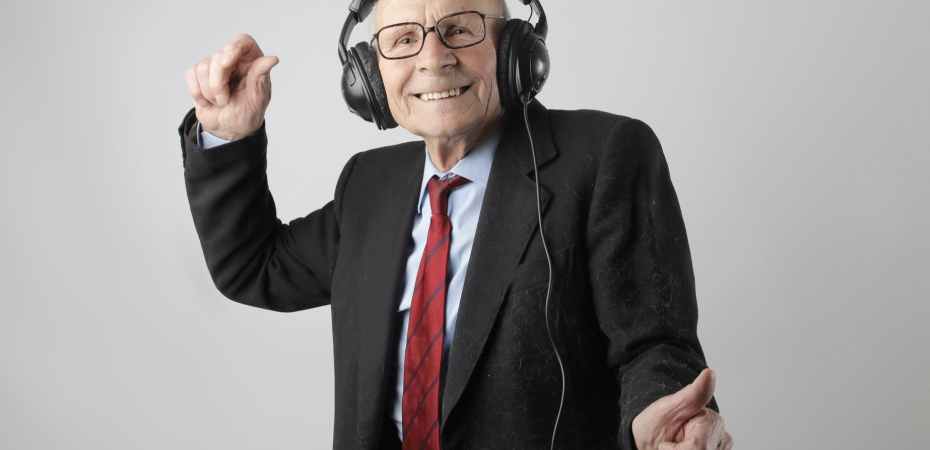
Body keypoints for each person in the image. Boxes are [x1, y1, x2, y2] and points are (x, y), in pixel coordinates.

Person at [178, 0, 733, 448]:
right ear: (370, 74)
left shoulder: (606, 155)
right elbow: (254, 267)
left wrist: (658, 417)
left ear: (514, 50)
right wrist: (229, 135)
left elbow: (654, 344)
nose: (433, 58)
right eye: (401, 40)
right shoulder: (368, 184)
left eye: (460, 29)